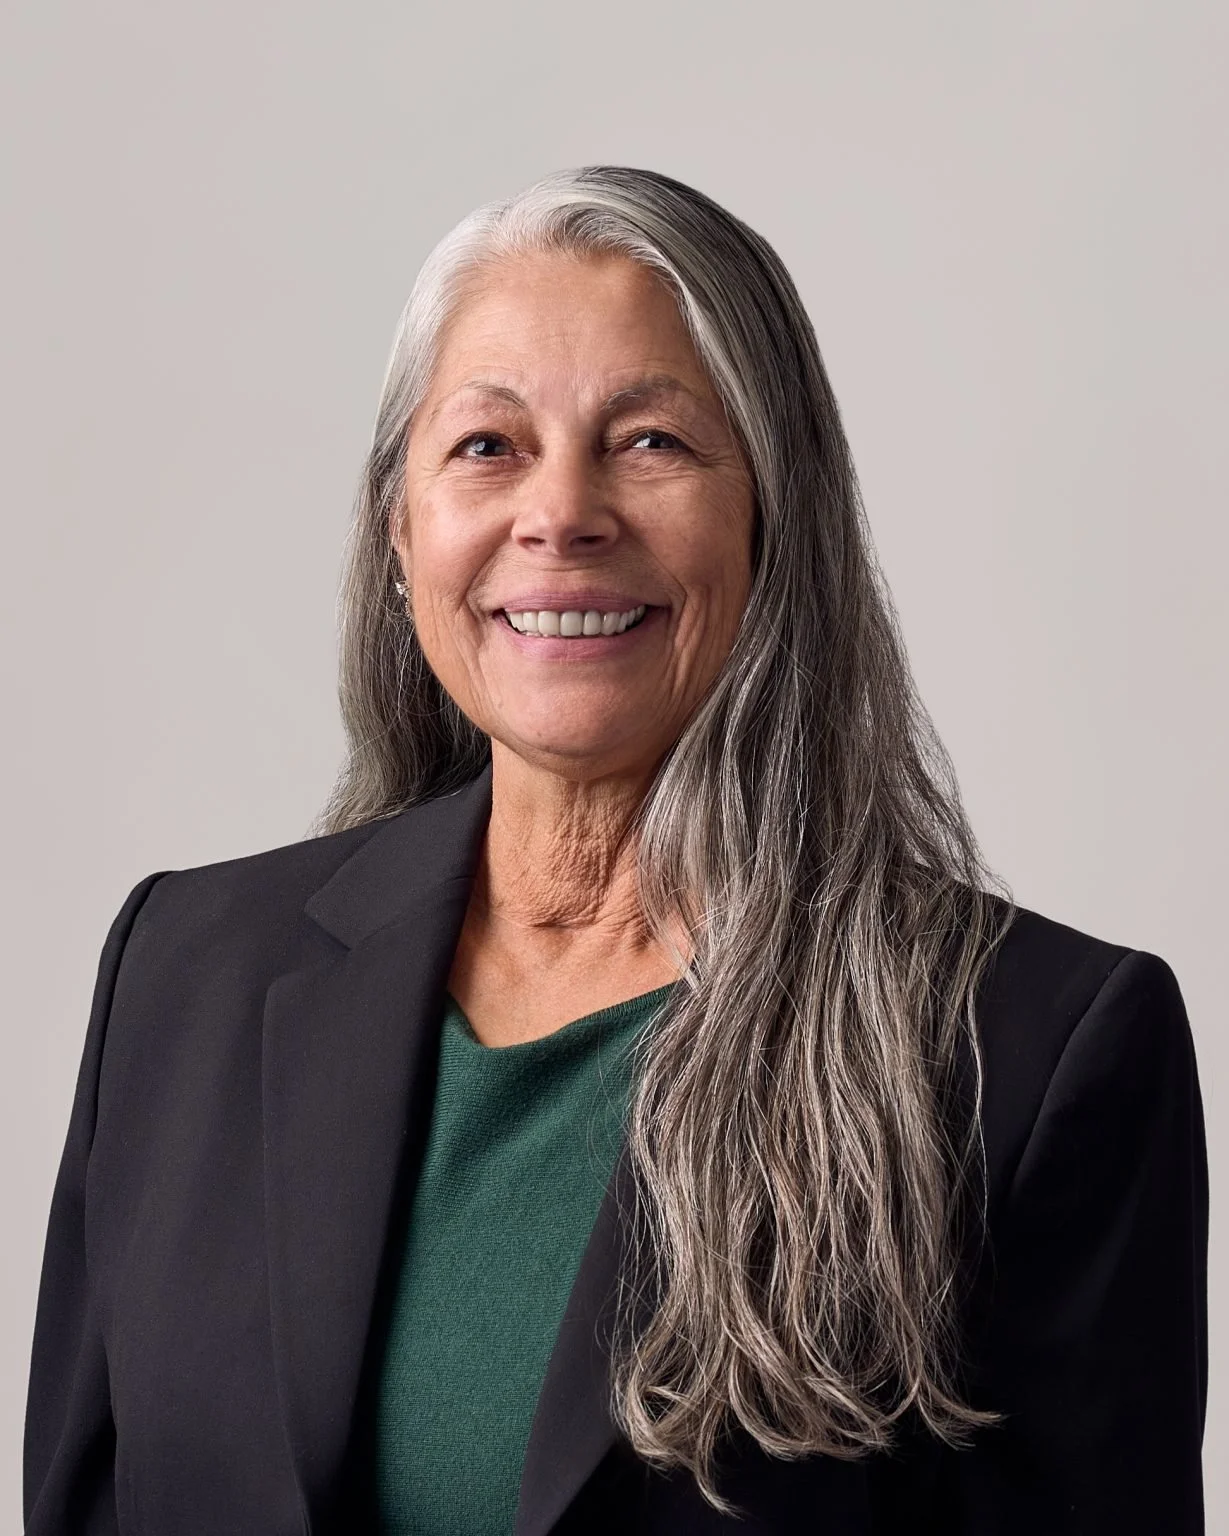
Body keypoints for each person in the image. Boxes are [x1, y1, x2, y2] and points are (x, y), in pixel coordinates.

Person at [24, 165, 1207, 1536]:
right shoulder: (182, 976)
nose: (562, 513)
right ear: (400, 528)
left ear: (774, 514)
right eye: (488, 445)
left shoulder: (1029, 1053)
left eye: (650, 442)